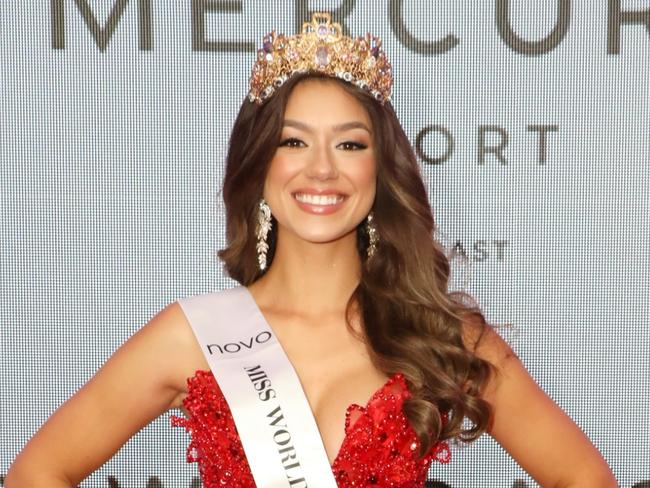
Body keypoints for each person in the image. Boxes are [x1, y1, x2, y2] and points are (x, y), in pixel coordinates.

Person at [5, 12, 617, 488]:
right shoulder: (193, 334)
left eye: (349, 146)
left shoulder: (442, 336)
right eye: (293, 143)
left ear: (382, 170)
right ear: (260, 166)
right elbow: (35, 473)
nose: (321, 171)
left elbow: (584, 475)